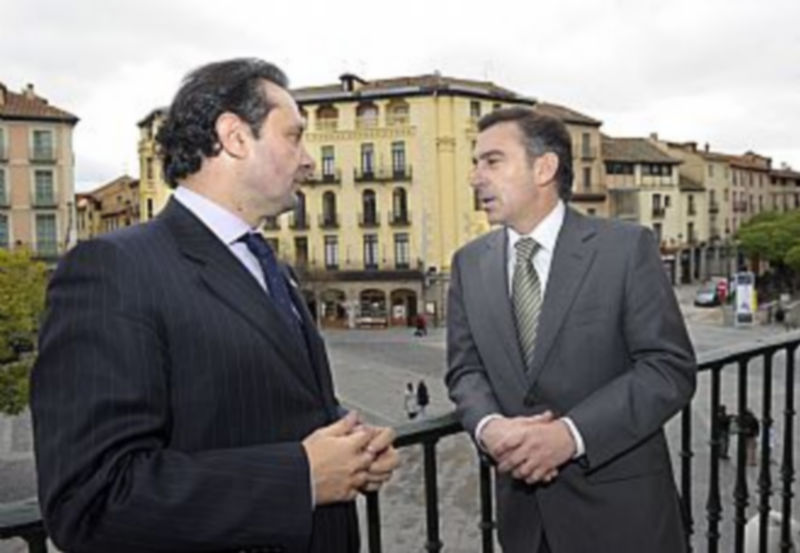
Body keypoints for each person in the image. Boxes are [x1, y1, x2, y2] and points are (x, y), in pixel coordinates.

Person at [31, 58, 398, 553]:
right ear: (235, 137)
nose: (309, 161)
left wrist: (350, 445)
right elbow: (91, 500)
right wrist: (301, 478)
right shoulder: (112, 270)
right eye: (294, 137)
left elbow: (267, 403)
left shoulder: (271, 267)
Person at [445, 107, 697, 553]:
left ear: (544, 168)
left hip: (624, 522)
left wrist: (571, 435)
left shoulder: (624, 249)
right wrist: (488, 426)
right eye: (475, 162)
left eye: (492, 161)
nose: (475, 177)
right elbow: (465, 370)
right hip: (526, 527)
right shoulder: (468, 264)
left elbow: (668, 368)